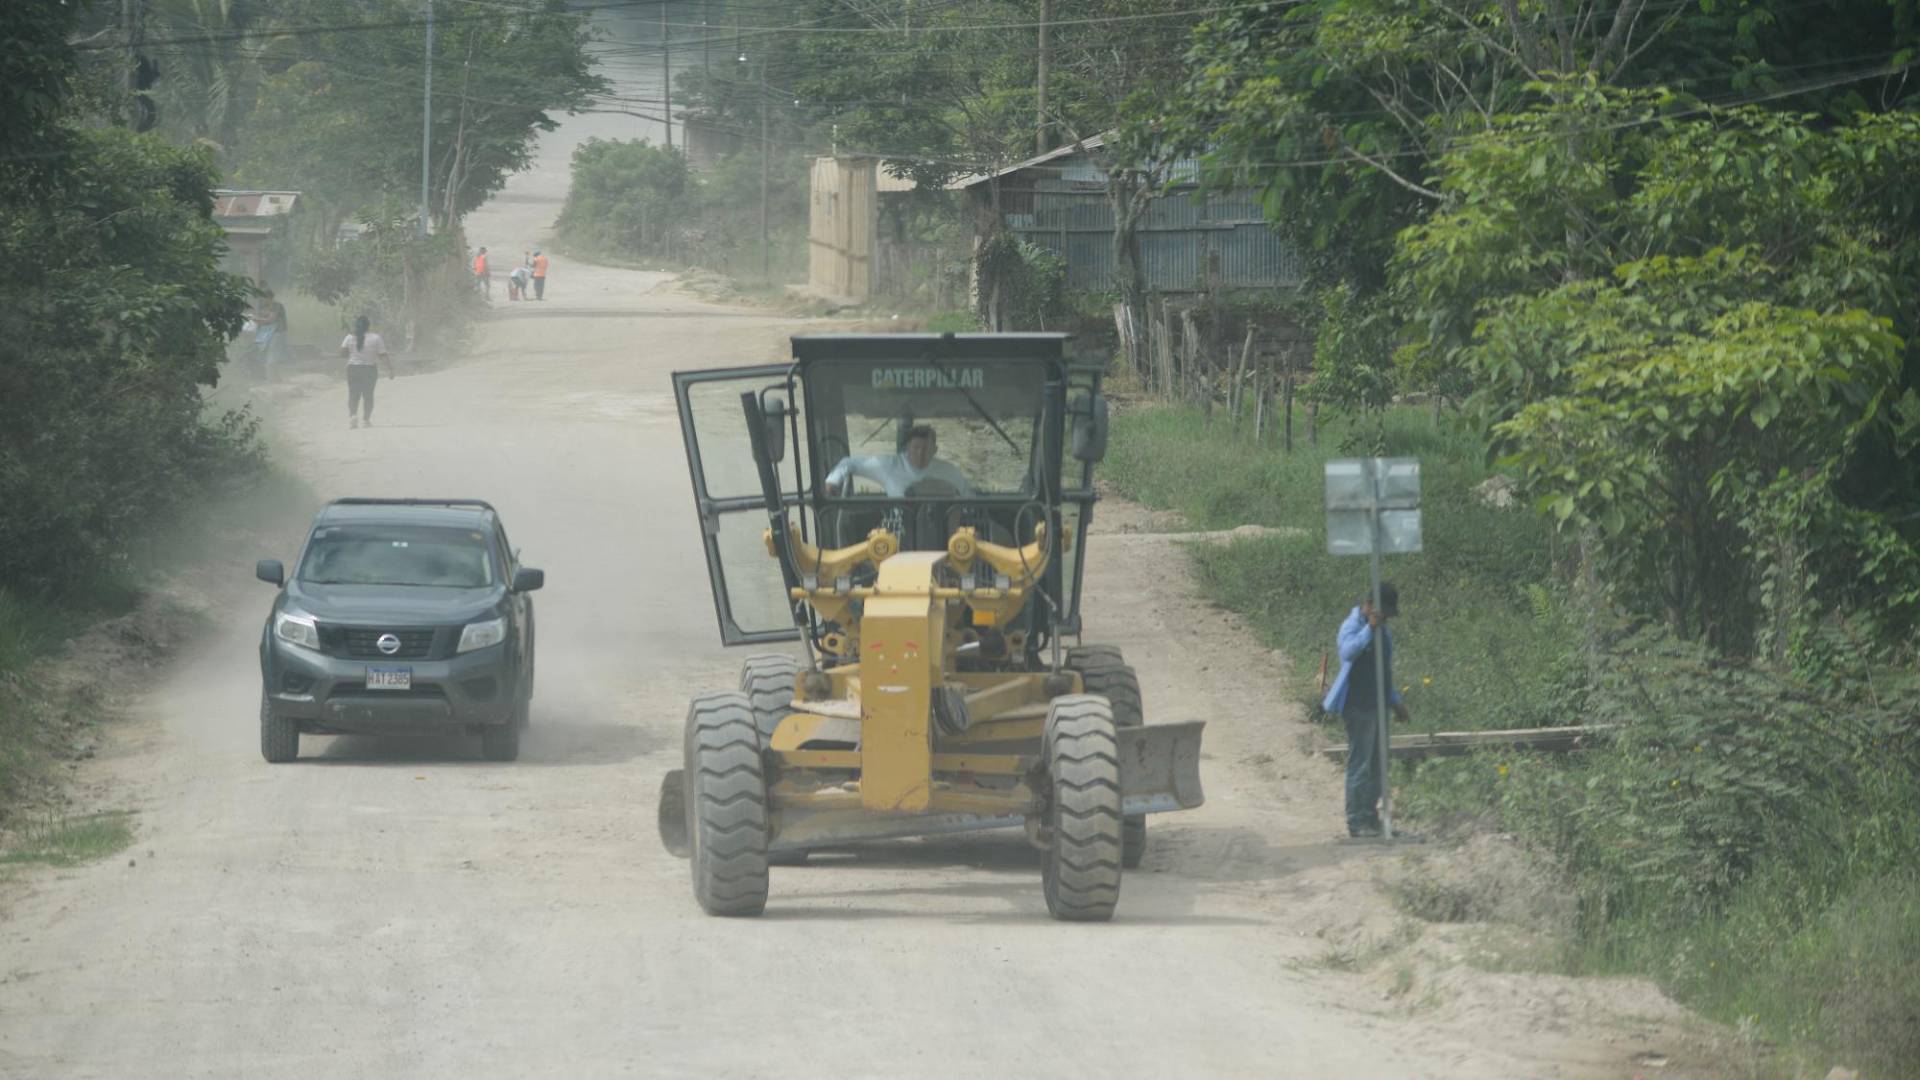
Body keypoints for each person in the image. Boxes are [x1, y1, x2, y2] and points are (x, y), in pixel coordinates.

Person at [1321, 584, 1411, 838]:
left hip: (1379, 704)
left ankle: (1371, 819)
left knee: (1377, 765)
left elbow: (1384, 670)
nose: (1387, 619)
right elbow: (1348, 653)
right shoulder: (1351, 625)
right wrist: (1368, 628)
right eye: (1384, 614)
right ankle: (1356, 822)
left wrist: (1396, 702)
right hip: (1358, 706)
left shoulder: (1385, 632)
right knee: (1359, 764)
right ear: (1370, 606)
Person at [824, 424, 972, 497]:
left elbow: (969, 497)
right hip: (899, 534)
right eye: (916, 448)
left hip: (943, 534)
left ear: (935, 450)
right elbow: (848, 463)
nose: (920, 453)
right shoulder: (889, 465)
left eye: (926, 448)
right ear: (908, 447)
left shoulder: (949, 472)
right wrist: (833, 481)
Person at [339, 315, 394, 429]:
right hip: (369, 369)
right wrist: (389, 369)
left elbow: (342, 354)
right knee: (368, 395)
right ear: (368, 326)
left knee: (353, 394)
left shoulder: (349, 337)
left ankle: (353, 416)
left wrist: (351, 348)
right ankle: (366, 420)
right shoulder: (376, 338)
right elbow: (383, 355)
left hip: (353, 369)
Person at [252, 288, 289, 378]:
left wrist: (254, 319)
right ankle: (275, 378)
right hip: (267, 335)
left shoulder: (277, 306)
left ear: (269, 297)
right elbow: (262, 322)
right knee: (268, 355)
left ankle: (272, 378)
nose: (262, 300)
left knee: (272, 356)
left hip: (277, 333)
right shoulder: (264, 308)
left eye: (263, 298)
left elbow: (270, 320)